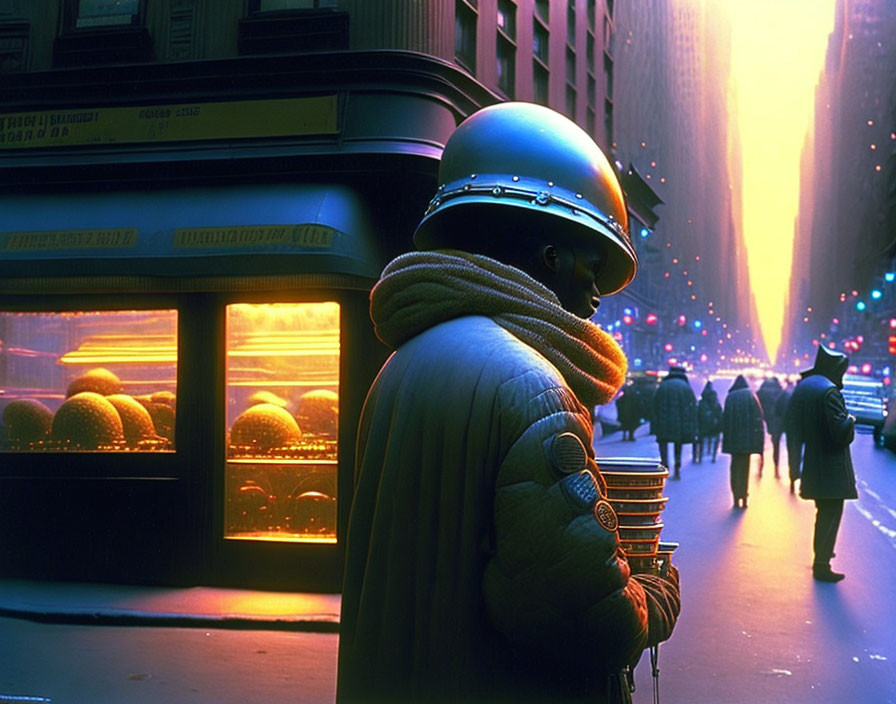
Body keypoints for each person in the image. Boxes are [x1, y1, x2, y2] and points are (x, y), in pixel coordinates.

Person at [337, 102, 680, 704]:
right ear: (550, 256)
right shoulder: (535, 388)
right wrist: (656, 595)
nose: (596, 294)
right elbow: (586, 615)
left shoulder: (403, 363)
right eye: (590, 266)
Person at [784, 346, 857, 582]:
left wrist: (794, 469)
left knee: (823, 512)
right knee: (831, 512)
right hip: (832, 469)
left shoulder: (805, 387)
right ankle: (822, 562)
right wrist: (850, 420)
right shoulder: (829, 392)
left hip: (814, 467)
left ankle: (822, 556)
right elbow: (841, 433)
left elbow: (792, 432)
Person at [721, 374, 764, 508]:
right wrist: (758, 441)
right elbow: (758, 419)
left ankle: (735, 497)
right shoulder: (751, 396)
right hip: (747, 440)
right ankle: (744, 497)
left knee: (734, 468)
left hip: (734, 441)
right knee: (745, 468)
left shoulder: (730, 397)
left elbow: (725, 421)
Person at [650, 365, 697, 478]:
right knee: (678, 444)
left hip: (663, 423)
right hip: (680, 423)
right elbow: (692, 407)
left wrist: (655, 423)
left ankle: (665, 466)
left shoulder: (663, 386)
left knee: (663, 443)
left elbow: (655, 405)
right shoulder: (686, 387)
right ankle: (677, 467)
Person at [756, 376, 784, 476]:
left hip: (762, 419)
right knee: (776, 444)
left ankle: (761, 466)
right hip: (776, 420)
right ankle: (776, 467)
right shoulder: (779, 391)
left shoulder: (761, 391)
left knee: (761, 443)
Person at [696, 380, 723, 463]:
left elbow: (697, 414)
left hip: (703, 425)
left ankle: (700, 457)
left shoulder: (702, 402)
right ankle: (713, 456)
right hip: (714, 425)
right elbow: (720, 413)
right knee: (715, 439)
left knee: (701, 441)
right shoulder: (715, 402)